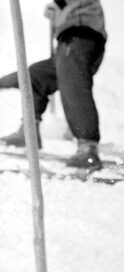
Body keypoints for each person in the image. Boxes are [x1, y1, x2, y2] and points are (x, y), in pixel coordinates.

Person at [0, 0, 107, 170]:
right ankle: (29, 132)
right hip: (68, 41)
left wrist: (57, 5)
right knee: (34, 76)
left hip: (80, 37)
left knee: (73, 85)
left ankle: (88, 147)